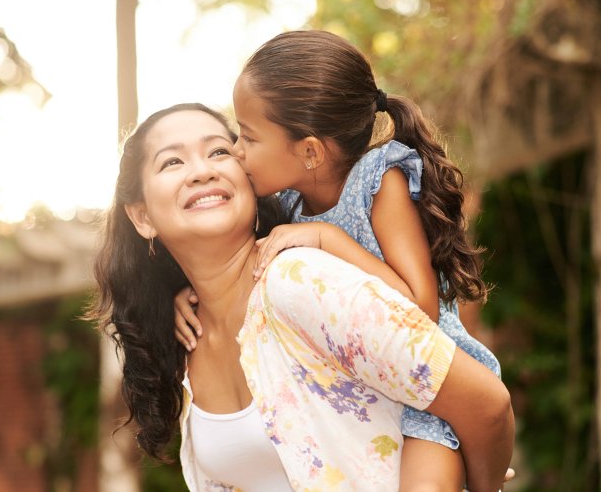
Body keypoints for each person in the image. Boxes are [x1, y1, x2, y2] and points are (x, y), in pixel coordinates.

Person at [88, 102, 514, 491]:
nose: (202, 171)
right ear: (142, 216)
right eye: (173, 161)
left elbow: (486, 404)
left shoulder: (299, 281)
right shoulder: (188, 338)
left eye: (219, 151)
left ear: (249, 176)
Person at [173, 30, 503, 490]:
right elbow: (235, 265)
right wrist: (193, 298)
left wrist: (327, 238)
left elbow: (420, 310)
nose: (237, 151)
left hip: (426, 401)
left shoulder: (377, 184)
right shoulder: (285, 203)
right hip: (365, 401)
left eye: (248, 136)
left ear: (308, 151)